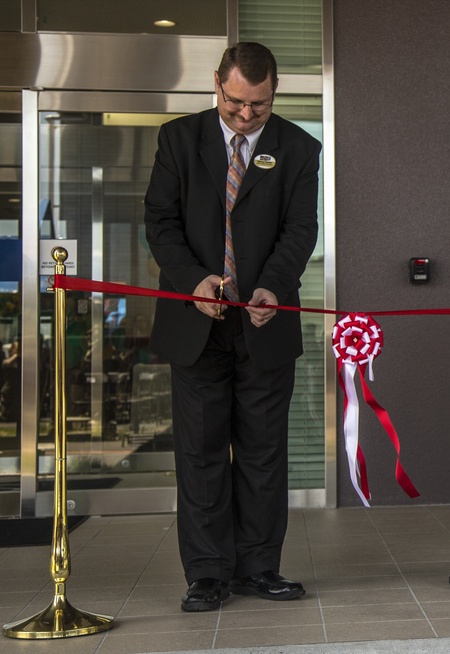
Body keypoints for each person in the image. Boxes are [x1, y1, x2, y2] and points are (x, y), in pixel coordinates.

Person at [144, 42, 320, 612]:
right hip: (196, 320)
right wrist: (194, 279)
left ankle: (260, 567)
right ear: (217, 83)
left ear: (275, 93)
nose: (247, 116)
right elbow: (161, 223)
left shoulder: (298, 147)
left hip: (264, 321)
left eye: (260, 106)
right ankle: (207, 574)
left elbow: (299, 231)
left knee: (264, 451)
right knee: (200, 452)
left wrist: (271, 284)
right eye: (236, 103)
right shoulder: (178, 140)